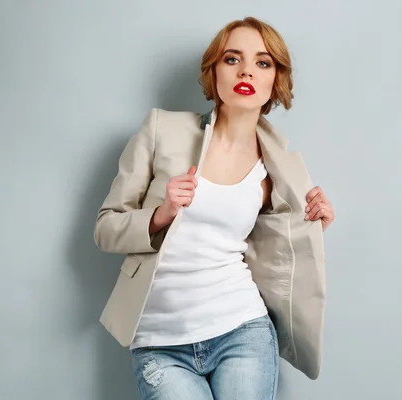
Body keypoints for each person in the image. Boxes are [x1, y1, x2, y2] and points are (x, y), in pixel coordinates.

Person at [93, 16, 335, 400]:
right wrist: (161, 214)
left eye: (262, 62)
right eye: (232, 59)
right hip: (160, 343)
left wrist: (313, 223)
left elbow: (276, 249)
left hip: (242, 330)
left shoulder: (280, 167)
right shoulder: (162, 130)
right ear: (214, 72)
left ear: (276, 79)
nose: (246, 71)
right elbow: (105, 228)